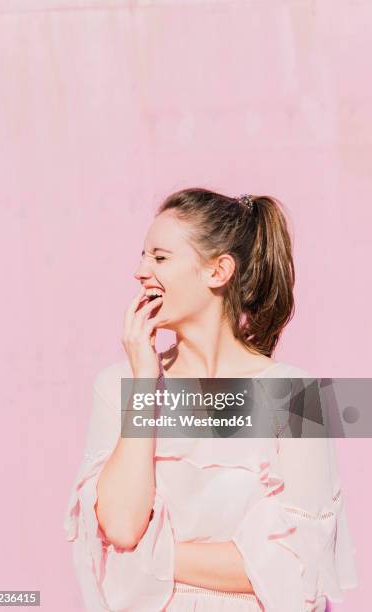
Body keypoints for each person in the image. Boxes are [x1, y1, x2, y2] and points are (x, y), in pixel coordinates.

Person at [63, 188, 358, 611]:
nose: (139, 271)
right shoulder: (119, 385)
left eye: (160, 258)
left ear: (218, 271)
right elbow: (123, 529)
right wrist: (145, 383)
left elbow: (301, 565)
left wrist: (151, 557)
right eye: (143, 256)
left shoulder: (295, 395)